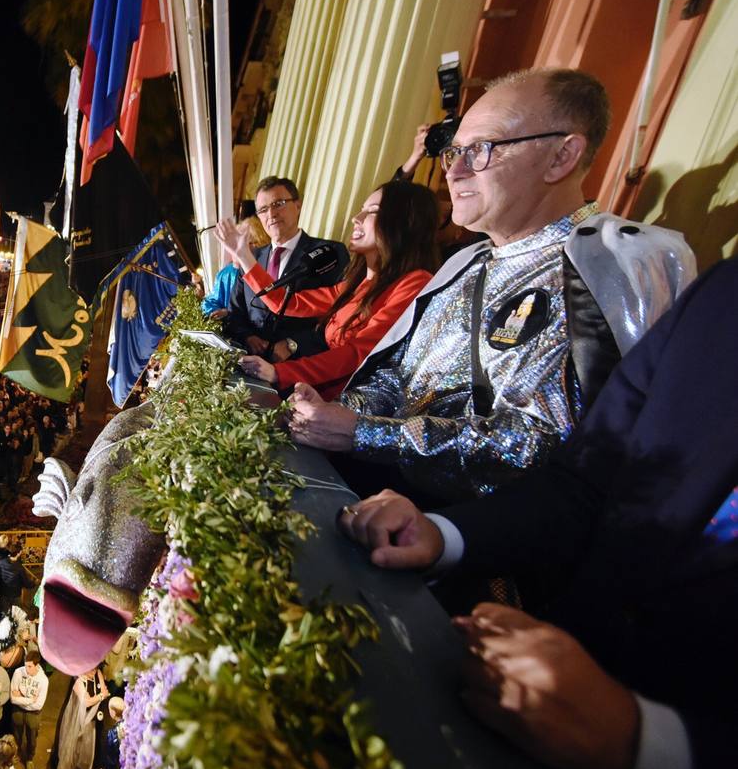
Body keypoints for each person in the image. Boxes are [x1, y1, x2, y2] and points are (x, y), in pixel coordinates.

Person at [336, 256, 738, 769]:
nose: (456, 169)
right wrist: (445, 534)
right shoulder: (723, 296)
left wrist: (640, 747)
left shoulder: (591, 271)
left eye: (477, 153)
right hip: (521, 706)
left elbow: (529, 438)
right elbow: (584, 482)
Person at [289, 68, 696, 504]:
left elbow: (546, 448)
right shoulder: (464, 263)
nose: (455, 171)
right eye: (454, 151)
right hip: (371, 494)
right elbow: (397, 376)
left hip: (470, 540)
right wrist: (334, 413)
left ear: (562, 156)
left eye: (482, 149)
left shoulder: (613, 266)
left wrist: (363, 433)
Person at [225, 181, 439, 399]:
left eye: (372, 211)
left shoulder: (414, 283)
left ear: (405, 222)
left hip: (348, 407)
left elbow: (358, 353)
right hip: (316, 393)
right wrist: (244, 255)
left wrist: (280, 372)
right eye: (362, 209)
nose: (357, 218)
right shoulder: (357, 284)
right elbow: (287, 302)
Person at [223, 176, 348, 358]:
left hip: (301, 365)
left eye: (279, 204)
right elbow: (235, 311)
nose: (271, 214)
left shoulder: (328, 253)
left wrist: (293, 344)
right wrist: (248, 336)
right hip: (251, 362)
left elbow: (340, 315)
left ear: (297, 205)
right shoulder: (251, 258)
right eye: (263, 209)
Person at [48, 666, 106, 769]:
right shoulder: (79, 682)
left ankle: (80, 766)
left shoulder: (98, 673)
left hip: (92, 719)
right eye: (91, 669)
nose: (93, 672)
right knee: (73, 744)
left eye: (95, 669)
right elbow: (88, 701)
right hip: (78, 721)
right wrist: (100, 696)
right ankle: (70, 767)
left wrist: (99, 695)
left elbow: (104, 690)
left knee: (86, 744)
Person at [9, 649, 48, 769]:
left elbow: (39, 705)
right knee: (17, 733)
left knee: (32, 737)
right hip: (18, 710)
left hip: (34, 713)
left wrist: (21, 697)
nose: (26, 669)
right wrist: (30, 700)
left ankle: (29, 760)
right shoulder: (18, 672)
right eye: (25, 665)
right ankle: (17, 753)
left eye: (29, 666)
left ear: (37, 666)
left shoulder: (43, 680)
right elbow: (13, 698)